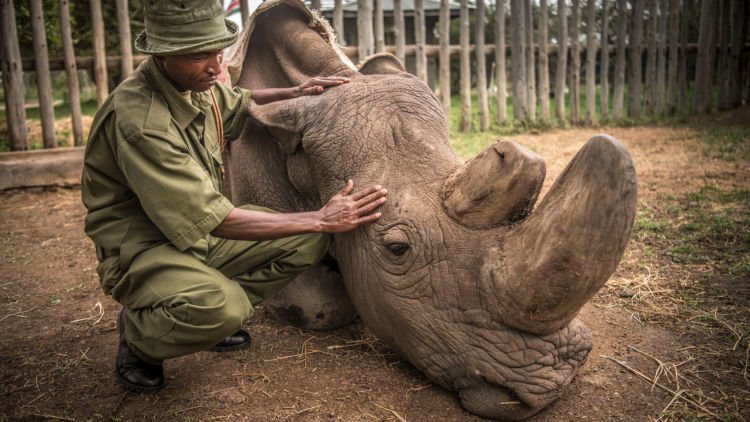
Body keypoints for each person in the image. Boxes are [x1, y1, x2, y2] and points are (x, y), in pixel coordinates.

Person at [80, 0, 387, 393]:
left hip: (196, 236)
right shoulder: (142, 122)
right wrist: (321, 217)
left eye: (217, 51)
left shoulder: (191, 85)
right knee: (227, 307)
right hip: (144, 247)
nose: (215, 66)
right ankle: (142, 334)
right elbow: (218, 219)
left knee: (310, 240)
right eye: (199, 56)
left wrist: (295, 90)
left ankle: (198, 310)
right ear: (162, 54)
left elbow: (239, 101)